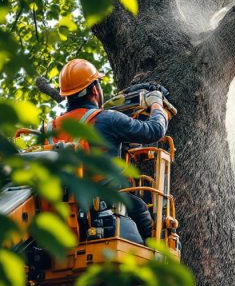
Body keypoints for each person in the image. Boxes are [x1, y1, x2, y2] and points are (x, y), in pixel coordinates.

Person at [49, 58, 168, 241]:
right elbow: (155, 130)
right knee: (141, 211)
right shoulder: (107, 119)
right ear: (95, 89)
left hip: (61, 214)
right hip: (103, 209)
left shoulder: (50, 129)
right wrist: (156, 104)